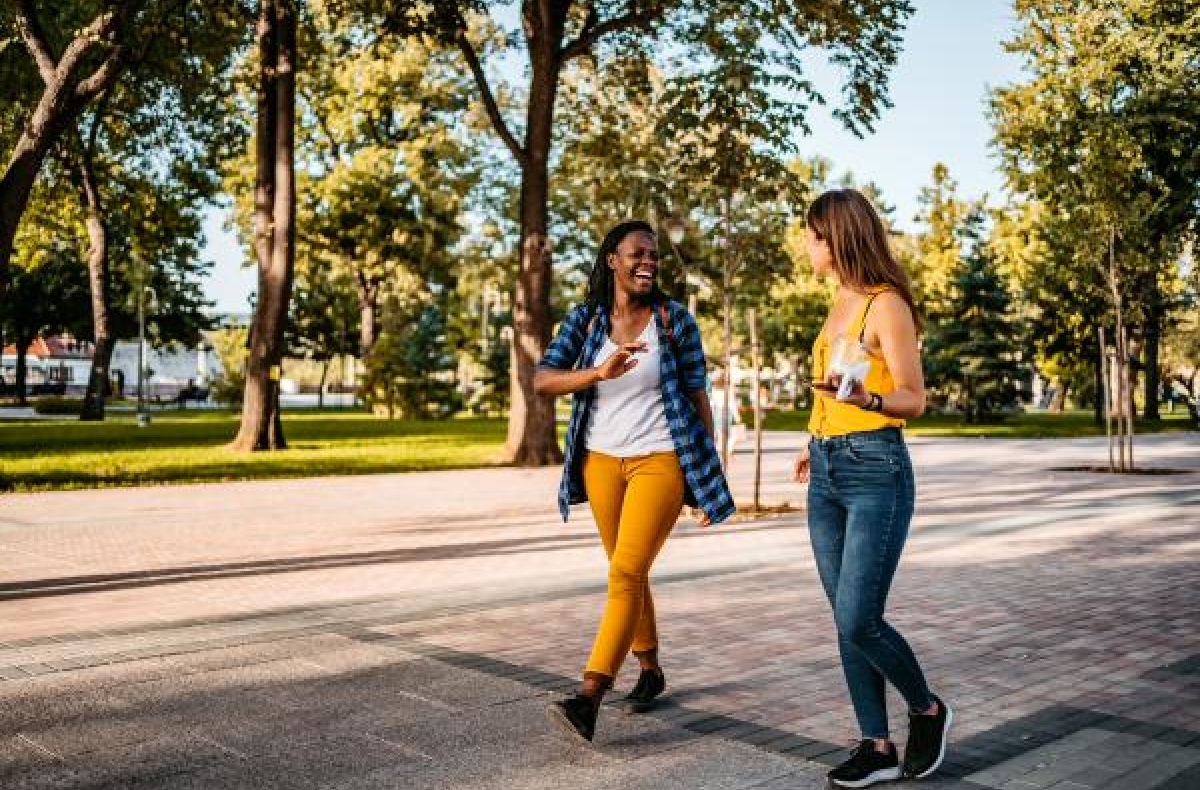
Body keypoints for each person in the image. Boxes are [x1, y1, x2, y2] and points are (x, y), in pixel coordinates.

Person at [535, 220, 735, 742]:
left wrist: (706, 475)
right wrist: (597, 372)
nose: (648, 262)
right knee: (628, 569)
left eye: (654, 256)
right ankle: (649, 669)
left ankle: (588, 694)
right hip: (600, 462)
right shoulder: (585, 321)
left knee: (625, 571)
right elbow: (544, 379)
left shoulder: (673, 322)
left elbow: (697, 397)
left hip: (661, 459)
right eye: (637, 254)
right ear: (612, 261)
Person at [792, 189, 952, 786]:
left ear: (836, 237)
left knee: (860, 617)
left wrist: (869, 401)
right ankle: (877, 744)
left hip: (875, 470)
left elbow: (913, 396)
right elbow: (833, 390)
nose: (806, 245)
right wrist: (814, 438)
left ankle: (927, 709)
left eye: (811, 234)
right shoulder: (839, 301)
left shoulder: (886, 305)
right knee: (844, 618)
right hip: (828, 469)